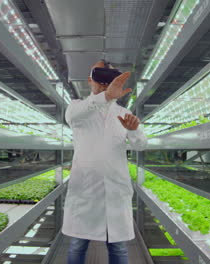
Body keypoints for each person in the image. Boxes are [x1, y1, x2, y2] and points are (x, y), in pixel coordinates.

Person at [62, 60, 147, 264]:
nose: (103, 82)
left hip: (115, 191)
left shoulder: (123, 114)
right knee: (77, 244)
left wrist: (134, 131)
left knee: (118, 246)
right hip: (85, 191)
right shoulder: (77, 108)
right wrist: (106, 96)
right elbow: (74, 116)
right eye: (99, 76)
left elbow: (141, 145)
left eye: (108, 78)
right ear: (90, 79)